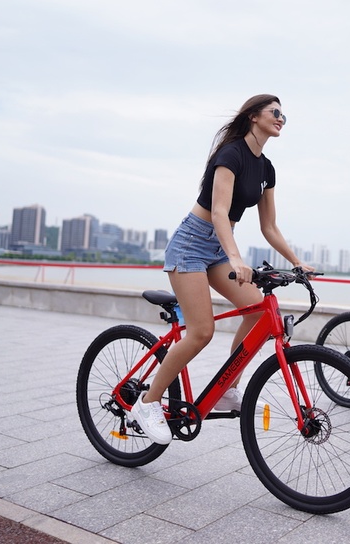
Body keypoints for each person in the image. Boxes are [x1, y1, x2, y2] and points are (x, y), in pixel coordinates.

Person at [132, 94, 314, 445]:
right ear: (253, 117)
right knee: (201, 332)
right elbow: (218, 212)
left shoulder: (267, 169)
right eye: (275, 112)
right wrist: (236, 259)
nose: (281, 118)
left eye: (284, 115)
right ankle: (148, 402)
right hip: (191, 244)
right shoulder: (230, 155)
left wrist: (296, 262)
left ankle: (228, 389)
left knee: (259, 313)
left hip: (217, 248)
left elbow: (269, 226)